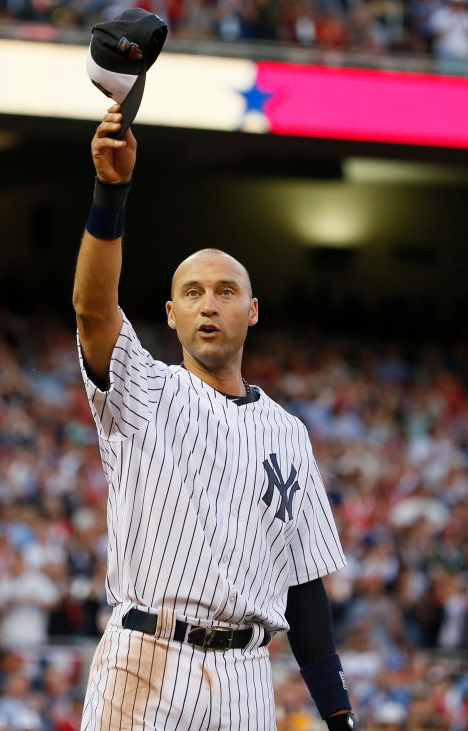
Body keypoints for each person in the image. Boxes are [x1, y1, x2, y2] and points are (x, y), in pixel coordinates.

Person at [72, 105, 355, 729]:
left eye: (225, 292)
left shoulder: (288, 432)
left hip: (245, 677)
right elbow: (94, 312)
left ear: (252, 312)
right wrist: (110, 192)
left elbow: (303, 585)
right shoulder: (142, 388)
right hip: (146, 660)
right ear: (170, 315)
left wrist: (337, 713)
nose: (208, 305)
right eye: (192, 293)